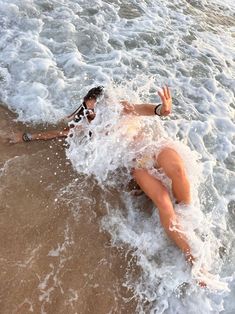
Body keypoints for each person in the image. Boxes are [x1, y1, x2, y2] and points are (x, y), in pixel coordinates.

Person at [8, 86, 199, 274]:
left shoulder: (123, 109)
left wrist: (163, 109)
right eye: (88, 109)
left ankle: (187, 213)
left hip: (153, 147)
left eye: (94, 108)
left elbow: (147, 109)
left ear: (106, 104)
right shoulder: (90, 126)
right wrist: (26, 136)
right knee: (163, 201)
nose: (91, 113)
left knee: (177, 170)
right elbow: (59, 133)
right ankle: (191, 255)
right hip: (137, 164)